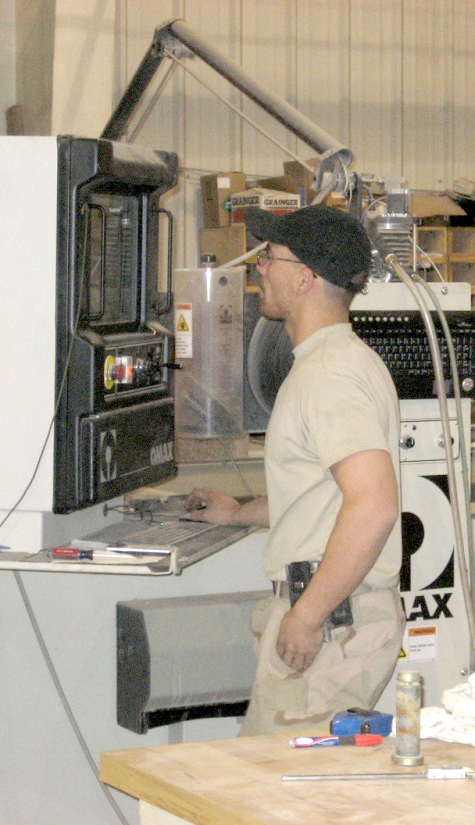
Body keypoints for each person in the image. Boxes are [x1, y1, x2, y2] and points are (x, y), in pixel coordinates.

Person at [187, 203, 405, 736]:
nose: (259, 269)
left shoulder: (328, 375)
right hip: (337, 618)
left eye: (269, 258)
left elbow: (373, 505)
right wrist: (241, 513)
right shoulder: (335, 362)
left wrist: (307, 616)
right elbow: (325, 496)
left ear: (305, 278)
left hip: (330, 624)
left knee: (276, 800)